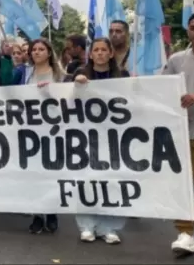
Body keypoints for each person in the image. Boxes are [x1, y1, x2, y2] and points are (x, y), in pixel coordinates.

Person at [163, 12, 194, 256]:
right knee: (182, 184)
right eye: (192, 28)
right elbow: (162, 89)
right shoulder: (176, 60)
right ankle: (184, 232)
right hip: (182, 132)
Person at [73, 37, 130, 244]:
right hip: (85, 137)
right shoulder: (80, 73)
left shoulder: (122, 75)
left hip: (114, 137)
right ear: (90, 54)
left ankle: (110, 227)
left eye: (103, 50)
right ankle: (87, 226)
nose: (99, 53)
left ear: (111, 53)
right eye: (95, 50)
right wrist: (75, 85)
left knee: (112, 182)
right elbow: (63, 99)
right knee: (86, 181)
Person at [18, 39, 64, 234]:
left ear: (49, 52)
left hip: (54, 130)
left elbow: (67, 100)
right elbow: (9, 92)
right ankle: (37, 214)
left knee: (52, 172)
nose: (36, 52)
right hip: (30, 130)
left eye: (41, 49)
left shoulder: (60, 75)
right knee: (34, 174)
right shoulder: (25, 74)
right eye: (33, 50)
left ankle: (52, 212)